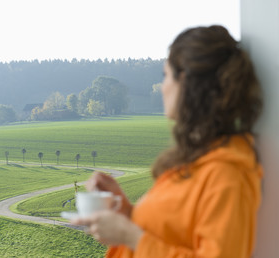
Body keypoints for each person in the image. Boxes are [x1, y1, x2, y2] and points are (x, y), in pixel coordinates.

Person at [72, 25, 263, 258]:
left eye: (165, 75)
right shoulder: (200, 160)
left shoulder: (226, 174)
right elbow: (171, 233)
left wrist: (129, 236)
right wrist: (127, 211)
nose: (162, 87)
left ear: (186, 83)